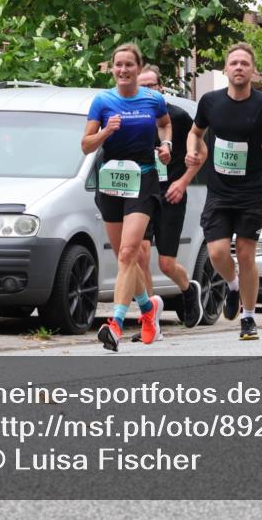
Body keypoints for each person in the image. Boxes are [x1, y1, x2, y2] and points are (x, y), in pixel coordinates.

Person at [186, 42, 262, 340]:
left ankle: (248, 317)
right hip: (219, 192)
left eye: (245, 63)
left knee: (245, 254)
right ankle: (231, 285)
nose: (240, 68)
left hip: (251, 192)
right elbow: (196, 133)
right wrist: (193, 152)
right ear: (226, 69)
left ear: (252, 70)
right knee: (218, 252)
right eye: (234, 63)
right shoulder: (209, 102)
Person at [82, 43, 172, 352]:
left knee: (128, 254)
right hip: (111, 181)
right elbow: (86, 145)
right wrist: (106, 132)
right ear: (113, 68)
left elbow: (164, 124)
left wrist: (167, 145)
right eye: (118, 65)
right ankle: (148, 311)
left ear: (138, 67)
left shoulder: (153, 99)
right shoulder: (102, 101)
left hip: (143, 179)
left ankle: (116, 324)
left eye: (128, 65)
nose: (123, 70)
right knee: (125, 256)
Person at [137, 65, 204, 327]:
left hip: (172, 193)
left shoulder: (178, 117)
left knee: (166, 263)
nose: (145, 91)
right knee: (140, 253)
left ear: (161, 89)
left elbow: (202, 155)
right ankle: (149, 316)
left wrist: (183, 182)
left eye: (150, 86)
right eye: (140, 86)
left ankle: (188, 290)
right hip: (142, 193)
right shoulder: (133, 117)